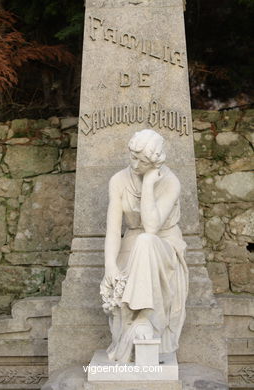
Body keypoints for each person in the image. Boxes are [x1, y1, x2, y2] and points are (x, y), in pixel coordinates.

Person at [100, 129, 188, 363]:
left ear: (156, 161)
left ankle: (145, 318)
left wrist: (149, 184)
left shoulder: (170, 182)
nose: (135, 164)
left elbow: (151, 228)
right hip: (132, 244)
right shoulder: (119, 180)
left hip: (164, 246)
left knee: (146, 240)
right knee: (137, 245)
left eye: (142, 160)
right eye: (133, 157)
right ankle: (132, 329)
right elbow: (113, 228)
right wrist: (110, 265)